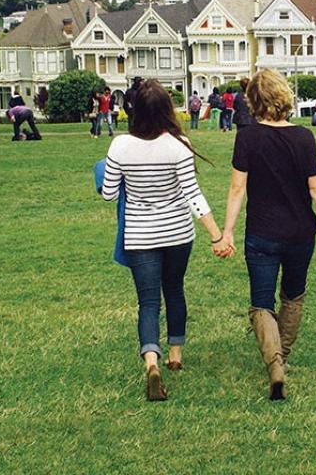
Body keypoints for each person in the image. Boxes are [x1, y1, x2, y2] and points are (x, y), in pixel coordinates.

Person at [101, 79, 230, 402]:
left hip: (140, 234)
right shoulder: (178, 144)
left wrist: (103, 174)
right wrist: (216, 235)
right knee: (174, 289)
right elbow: (193, 195)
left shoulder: (119, 146)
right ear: (165, 111)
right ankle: (175, 353)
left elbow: (108, 195)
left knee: (147, 302)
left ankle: (151, 362)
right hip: (177, 233)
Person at [219, 69, 316, 401]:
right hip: (301, 234)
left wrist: (226, 232)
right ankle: (280, 361)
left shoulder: (247, 137)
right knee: (293, 297)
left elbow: (236, 188)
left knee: (261, 303)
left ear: (254, 101)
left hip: (261, 234)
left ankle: (274, 364)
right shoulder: (304, 137)